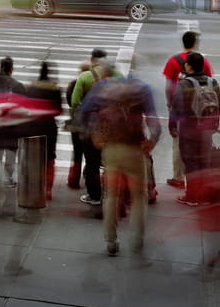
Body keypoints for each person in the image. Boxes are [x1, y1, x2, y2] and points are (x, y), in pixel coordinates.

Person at [81, 71, 161, 255]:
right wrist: (152, 140)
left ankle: (111, 241)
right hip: (134, 149)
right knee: (139, 196)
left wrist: (94, 133)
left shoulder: (103, 88)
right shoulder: (142, 89)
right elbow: (152, 119)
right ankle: (137, 239)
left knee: (111, 195)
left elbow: (84, 111)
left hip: (111, 149)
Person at [71, 49, 124, 206]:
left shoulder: (85, 76)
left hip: (93, 127)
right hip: (114, 127)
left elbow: (75, 102)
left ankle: (94, 195)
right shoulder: (119, 77)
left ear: (92, 61)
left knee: (92, 162)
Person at [163, 31, 213, 189]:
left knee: (179, 145)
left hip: (183, 114)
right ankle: (202, 183)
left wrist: (170, 104)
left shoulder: (173, 61)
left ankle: (178, 177)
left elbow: (168, 86)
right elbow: (209, 85)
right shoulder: (202, 61)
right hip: (203, 115)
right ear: (195, 43)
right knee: (203, 149)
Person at [170, 53, 220, 206]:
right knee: (205, 160)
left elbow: (176, 106)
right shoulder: (213, 83)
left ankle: (192, 196)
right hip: (208, 128)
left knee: (190, 161)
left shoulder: (184, 84)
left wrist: (172, 125)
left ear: (189, 66)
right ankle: (205, 194)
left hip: (190, 128)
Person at [0, 57, 26, 192]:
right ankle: (9, 178)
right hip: (12, 126)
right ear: (12, 69)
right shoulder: (18, 86)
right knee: (11, 154)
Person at [23, 62, 63, 200]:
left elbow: (26, 107)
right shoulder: (55, 89)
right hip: (49, 128)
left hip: (33, 126)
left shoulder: (31, 88)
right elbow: (59, 110)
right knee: (50, 159)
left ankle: (34, 186)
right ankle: (48, 190)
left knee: (34, 159)